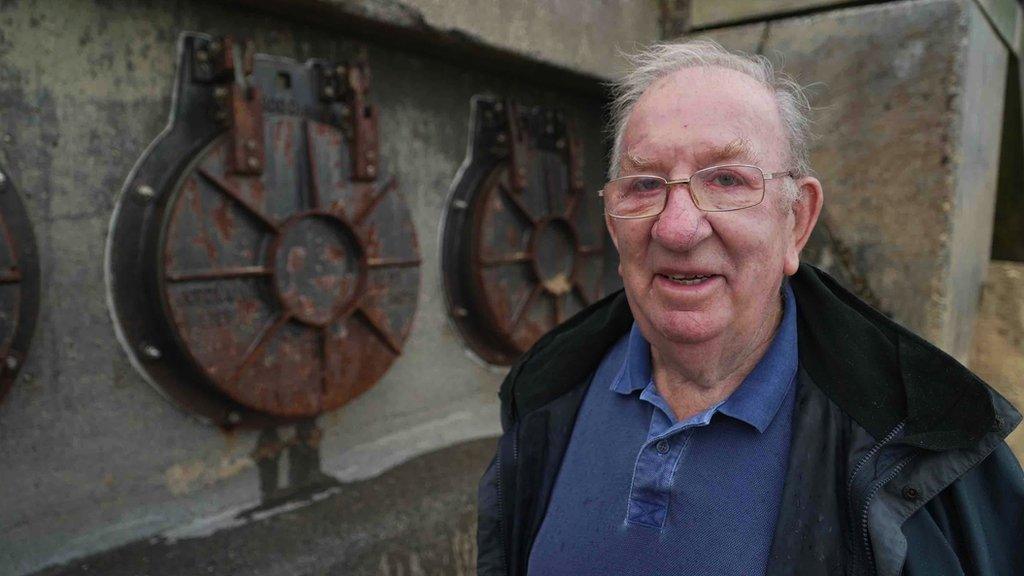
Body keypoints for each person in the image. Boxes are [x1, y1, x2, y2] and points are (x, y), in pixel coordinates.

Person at [476, 40, 1024, 576]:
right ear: (613, 221)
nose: (677, 227)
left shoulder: (931, 447)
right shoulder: (543, 396)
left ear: (797, 221)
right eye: (644, 185)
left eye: (727, 180)